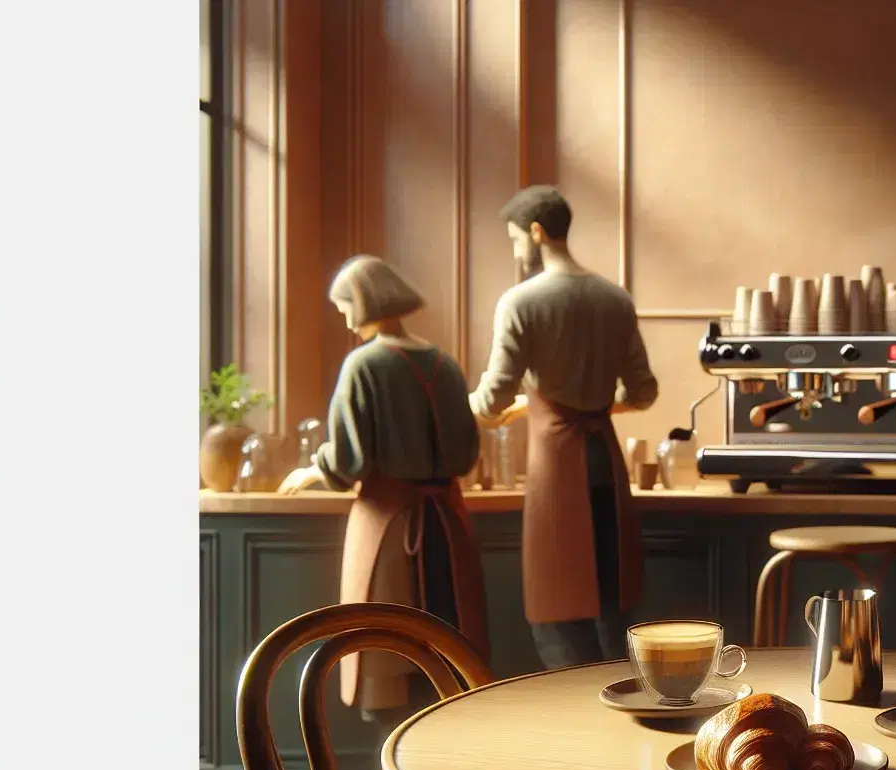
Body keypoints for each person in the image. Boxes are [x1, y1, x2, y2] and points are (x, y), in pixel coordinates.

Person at [279, 256, 488, 717]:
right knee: (450, 672)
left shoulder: (363, 365)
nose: (343, 317)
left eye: (343, 306)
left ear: (361, 302)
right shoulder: (445, 365)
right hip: (449, 534)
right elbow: (467, 453)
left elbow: (350, 460)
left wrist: (315, 470)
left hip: (389, 534)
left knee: (388, 674)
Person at [470, 185, 657, 668]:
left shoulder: (520, 302)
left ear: (536, 232)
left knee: (559, 608)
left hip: (555, 464)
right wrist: (593, 406)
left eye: (515, 239)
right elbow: (643, 393)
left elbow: (491, 400)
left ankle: (573, 716)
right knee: (614, 603)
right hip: (605, 464)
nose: (516, 250)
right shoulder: (615, 299)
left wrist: (470, 403)